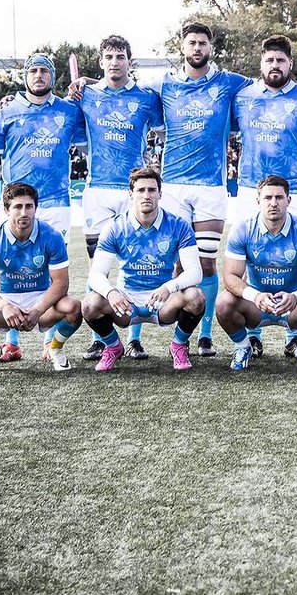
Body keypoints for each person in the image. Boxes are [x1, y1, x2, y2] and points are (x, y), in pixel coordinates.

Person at [155, 22, 256, 361]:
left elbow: (270, 87)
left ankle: (207, 334)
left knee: (207, 264)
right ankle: (164, 336)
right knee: (176, 266)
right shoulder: (165, 84)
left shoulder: (228, 82)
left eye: (202, 43)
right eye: (191, 42)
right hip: (173, 185)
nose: (197, 48)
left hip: (211, 186)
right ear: (182, 47)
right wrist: (87, 83)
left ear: (210, 48)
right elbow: (124, 88)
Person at [232, 35, 297, 358]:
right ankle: (252, 333)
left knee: (296, 260)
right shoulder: (242, 95)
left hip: (296, 189)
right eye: (269, 61)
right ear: (260, 64)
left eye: (281, 61)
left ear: (290, 63)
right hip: (250, 188)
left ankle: (294, 331)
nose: (275, 66)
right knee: (251, 259)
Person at [0, 52, 85, 362]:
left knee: (53, 272)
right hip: (16, 205)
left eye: (45, 71)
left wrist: (84, 85)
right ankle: (11, 341)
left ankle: (49, 342)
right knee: (10, 267)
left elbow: (100, 101)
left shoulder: (69, 111)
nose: (39, 75)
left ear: (53, 77)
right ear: (26, 76)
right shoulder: (5, 113)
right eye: (34, 71)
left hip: (57, 202)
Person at [68, 35, 164, 362]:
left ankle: (134, 336)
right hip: (96, 190)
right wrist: (82, 83)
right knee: (100, 265)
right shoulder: (87, 95)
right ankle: (102, 338)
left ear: (129, 61)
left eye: (120, 56)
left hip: (132, 189)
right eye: (108, 56)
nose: (114, 62)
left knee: (135, 260)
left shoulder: (146, 97)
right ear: (101, 61)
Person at [82, 167, 205, 372]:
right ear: (131, 194)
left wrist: (169, 287)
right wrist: (111, 292)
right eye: (140, 190)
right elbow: (95, 275)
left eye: (151, 190)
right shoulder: (115, 227)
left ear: (160, 193)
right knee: (89, 304)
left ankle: (178, 345)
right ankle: (113, 347)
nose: (146, 195)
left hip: (164, 302)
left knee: (196, 297)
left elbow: (195, 272)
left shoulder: (178, 226)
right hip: (127, 302)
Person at [0, 181, 82, 373]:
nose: (24, 213)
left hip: (42, 301)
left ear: (35, 208)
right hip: (6, 301)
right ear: (7, 210)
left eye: (29, 206)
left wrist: (38, 310)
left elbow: (61, 283)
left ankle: (55, 348)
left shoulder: (52, 236)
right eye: (17, 207)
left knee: (73, 308)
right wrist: (4, 306)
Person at [216, 174, 297, 371]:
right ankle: (243, 347)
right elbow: (230, 278)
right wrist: (255, 296)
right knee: (223, 303)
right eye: (268, 198)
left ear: (288, 200)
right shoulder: (243, 229)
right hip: (256, 305)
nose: (273, 203)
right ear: (258, 201)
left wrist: (296, 296)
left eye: (279, 198)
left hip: (293, 307)